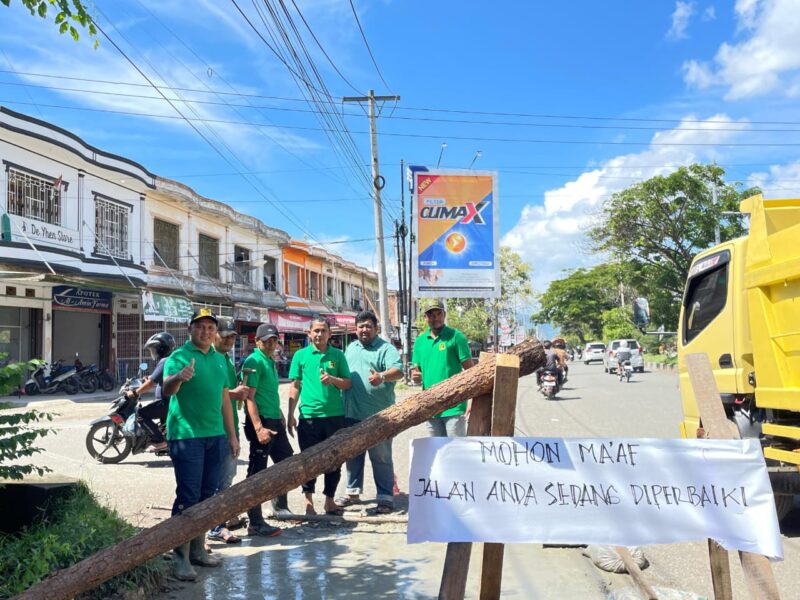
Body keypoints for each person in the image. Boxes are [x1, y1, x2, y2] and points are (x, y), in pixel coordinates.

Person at [162, 308, 240, 582]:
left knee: (208, 495)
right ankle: (179, 556)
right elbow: (166, 389)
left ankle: (198, 549)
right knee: (188, 496)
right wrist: (178, 378)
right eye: (200, 327)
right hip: (186, 436)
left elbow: (225, 399)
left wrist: (231, 436)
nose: (205, 332)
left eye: (210, 327)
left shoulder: (220, 360)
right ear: (190, 329)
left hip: (216, 436)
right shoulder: (179, 357)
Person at [337, 310, 403, 513]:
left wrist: (382, 376)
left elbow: (399, 371)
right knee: (352, 455)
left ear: (376, 328)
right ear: (355, 329)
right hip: (351, 413)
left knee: (381, 457)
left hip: (380, 415)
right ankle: (353, 493)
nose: (364, 329)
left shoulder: (386, 349)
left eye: (368, 326)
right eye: (360, 326)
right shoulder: (350, 348)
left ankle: (384, 497)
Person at [287, 316, 352, 516]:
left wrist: (333, 379)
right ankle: (308, 503)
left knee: (334, 461)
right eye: (316, 331)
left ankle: (329, 501)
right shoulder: (300, 355)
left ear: (329, 334)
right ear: (309, 333)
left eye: (323, 330)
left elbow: (347, 383)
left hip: (334, 416)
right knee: (308, 461)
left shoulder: (338, 356)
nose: (319, 334)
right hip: (309, 417)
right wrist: (290, 414)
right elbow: (295, 386)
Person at [242, 322, 293, 531]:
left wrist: (281, 415)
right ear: (257, 341)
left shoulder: (270, 361)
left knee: (287, 462)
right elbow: (249, 398)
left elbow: (269, 394)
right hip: (261, 422)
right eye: (267, 341)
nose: (271, 344)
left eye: (274, 340)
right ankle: (255, 521)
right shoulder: (254, 360)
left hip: (274, 419)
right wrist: (258, 428)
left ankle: (279, 506)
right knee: (257, 473)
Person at [207, 318, 253, 544]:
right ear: (214, 335)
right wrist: (234, 394)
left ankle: (220, 519)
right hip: (214, 429)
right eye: (224, 335)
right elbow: (209, 394)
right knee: (218, 480)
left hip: (229, 428)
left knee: (226, 478)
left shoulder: (225, 359)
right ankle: (215, 526)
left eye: (232, 336)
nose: (229, 340)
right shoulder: (211, 359)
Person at [411, 300, 474, 437]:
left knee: (455, 451)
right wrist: (415, 377)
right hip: (430, 407)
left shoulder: (456, 336)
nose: (435, 318)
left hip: (454, 406)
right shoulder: (419, 342)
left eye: (439, 313)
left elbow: (471, 373)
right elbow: (416, 374)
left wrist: (472, 400)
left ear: (444, 315)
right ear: (425, 318)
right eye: (431, 315)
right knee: (438, 453)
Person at [128, 332, 175, 451]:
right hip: (169, 401)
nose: (153, 352)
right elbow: (158, 378)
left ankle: (159, 441)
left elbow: (151, 383)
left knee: (141, 414)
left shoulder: (165, 360)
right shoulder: (171, 358)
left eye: (154, 349)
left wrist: (135, 392)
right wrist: (149, 378)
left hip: (166, 403)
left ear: (161, 348)